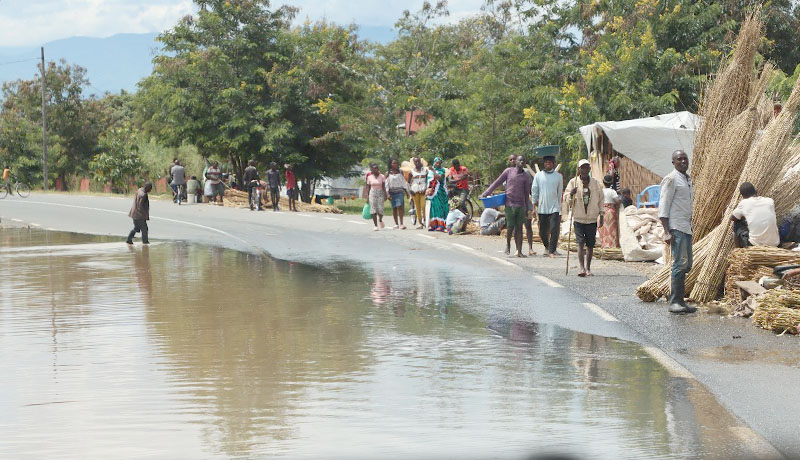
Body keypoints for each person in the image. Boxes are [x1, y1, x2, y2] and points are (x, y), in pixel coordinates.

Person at [659, 150, 695, 314]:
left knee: (687, 264)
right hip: (676, 226)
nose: (683, 161)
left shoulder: (687, 179)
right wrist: (666, 231)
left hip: (686, 226)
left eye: (685, 159)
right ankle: (675, 302)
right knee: (680, 263)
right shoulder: (671, 179)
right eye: (679, 159)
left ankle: (680, 300)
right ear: (673, 162)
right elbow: (664, 206)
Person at [482, 155, 533, 257]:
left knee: (519, 228)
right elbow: (497, 182)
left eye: (523, 161)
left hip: (520, 205)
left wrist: (528, 209)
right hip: (509, 204)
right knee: (510, 227)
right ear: (516, 162)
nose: (522, 162)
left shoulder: (526, 176)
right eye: (520, 160)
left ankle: (519, 251)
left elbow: (527, 193)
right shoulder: (508, 171)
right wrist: (486, 193)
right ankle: (508, 245)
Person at [564, 159, 604, 277]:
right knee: (580, 243)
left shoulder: (595, 183)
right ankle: (581, 268)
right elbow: (566, 198)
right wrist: (571, 194)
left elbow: (601, 199)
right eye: (583, 167)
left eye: (587, 167)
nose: (585, 170)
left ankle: (588, 268)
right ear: (579, 169)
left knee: (590, 244)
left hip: (592, 218)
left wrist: (601, 215)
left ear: (590, 169)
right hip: (579, 218)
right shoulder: (573, 182)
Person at [531, 154, 564, 257]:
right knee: (542, 231)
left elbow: (559, 192)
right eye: (546, 163)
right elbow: (534, 190)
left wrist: (559, 206)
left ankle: (552, 250)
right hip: (542, 207)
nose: (547, 164)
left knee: (554, 228)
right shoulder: (538, 176)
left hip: (554, 206)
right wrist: (534, 204)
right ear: (543, 164)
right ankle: (547, 247)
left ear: (553, 164)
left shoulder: (558, 176)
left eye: (550, 163)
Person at [730, 182, 779, 248]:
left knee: (737, 223)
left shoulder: (744, 203)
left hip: (755, 245)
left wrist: (744, 216)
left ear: (743, 196)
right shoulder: (770, 201)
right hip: (775, 243)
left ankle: (737, 251)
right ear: (756, 191)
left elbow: (732, 218)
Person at [426, 157, 449, 232]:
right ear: (434, 162)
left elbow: (439, 178)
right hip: (432, 193)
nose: (438, 164)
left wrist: (433, 170)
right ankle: (434, 224)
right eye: (436, 162)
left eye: (439, 163)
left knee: (440, 208)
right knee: (433, 208)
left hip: (440, 192)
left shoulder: (442, 170)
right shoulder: (429, 171)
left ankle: (441, 225)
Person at [385, 158, 410, 229]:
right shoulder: (388, 173)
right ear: (391, 164)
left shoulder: (400, 172)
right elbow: (386, 184)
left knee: (400, 207)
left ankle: (401, 223)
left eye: (396, 163)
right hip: (392, 192)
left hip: (399, 191)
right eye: (393, 163)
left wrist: (407, 192)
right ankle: (396, 224)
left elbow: (403, 182)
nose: (395, 164)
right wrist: (387, 194)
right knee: (394, 208)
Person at [364, 162, 387, 231]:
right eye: (374, 169)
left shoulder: (382, 176)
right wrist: (367, 195)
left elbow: (383, 186)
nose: (376, 170)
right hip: (372, 193)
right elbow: (368, 187)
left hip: (380, 193)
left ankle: (380, 219)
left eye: (377, 168)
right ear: (372, 170)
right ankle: (375, 225)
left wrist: (385, 194)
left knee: (380, 209)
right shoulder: (369, 177)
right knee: (373, 209)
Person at [599, 174, 621, 248]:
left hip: (602, 212)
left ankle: (604, 245)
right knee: (612, 229)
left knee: (603, 229)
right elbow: (617, 201)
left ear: (603, 182)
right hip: (610, 212)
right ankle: (612, 245)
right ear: (611, 183)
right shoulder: (612, 191)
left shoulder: (600, 191)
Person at [408, 157, 428, 229]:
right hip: (415, 190)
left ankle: (425, 220)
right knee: (417, 207)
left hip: (423, 191)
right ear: (414, 162)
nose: (417, 163)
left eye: (418, 161)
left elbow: (427, 181)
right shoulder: (411, 171)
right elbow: (408, 182)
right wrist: (410, 190)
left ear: (420, 161)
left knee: (423, 206)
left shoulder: (425, 170)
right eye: (416, 162)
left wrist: (425, 188)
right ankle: (420, 223)